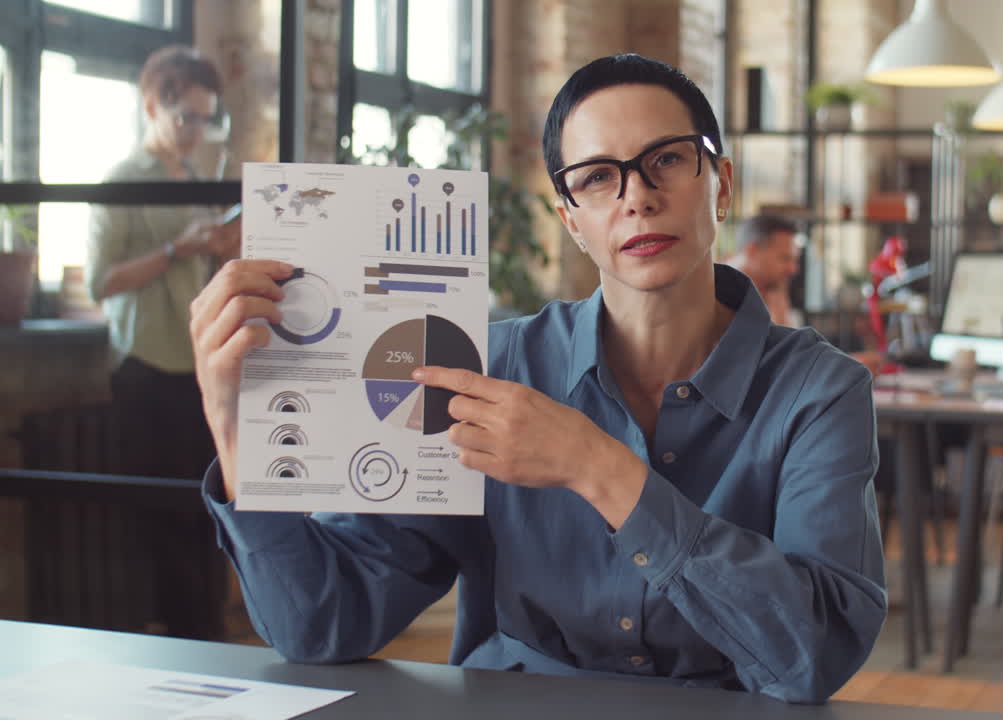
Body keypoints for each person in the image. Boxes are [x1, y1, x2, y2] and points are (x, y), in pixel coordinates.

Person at [191, 54, 885, 703]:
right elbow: (323, 624)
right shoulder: (486, 371)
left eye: (666, 161)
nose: (636, 197)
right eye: (596, 178)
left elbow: (813, 656)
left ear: (721, 185)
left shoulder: (821, 392)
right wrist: (235, 426)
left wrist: (597, 468)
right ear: (571, 221)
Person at [85, 45, 239, 639]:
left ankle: (206, 635)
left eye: (205, 118)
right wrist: (180, 248)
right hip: (148, 369)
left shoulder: (199, 180)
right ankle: (178, 638)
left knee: (205, 512)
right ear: (152, 106)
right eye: (186, 118)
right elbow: (101, 280)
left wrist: (222, 247)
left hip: (200, 370)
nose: (195, 131)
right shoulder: (121, 181)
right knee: (160, 517)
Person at [725, 214, 883, 374]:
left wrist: (846, 364)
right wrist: (843, 367)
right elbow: (768, 370)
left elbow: (792, 357)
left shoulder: (771, 290)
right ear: (752, 251)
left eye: (794, 260)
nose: (793, 269)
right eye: (784, 259)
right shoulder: (721, 295)